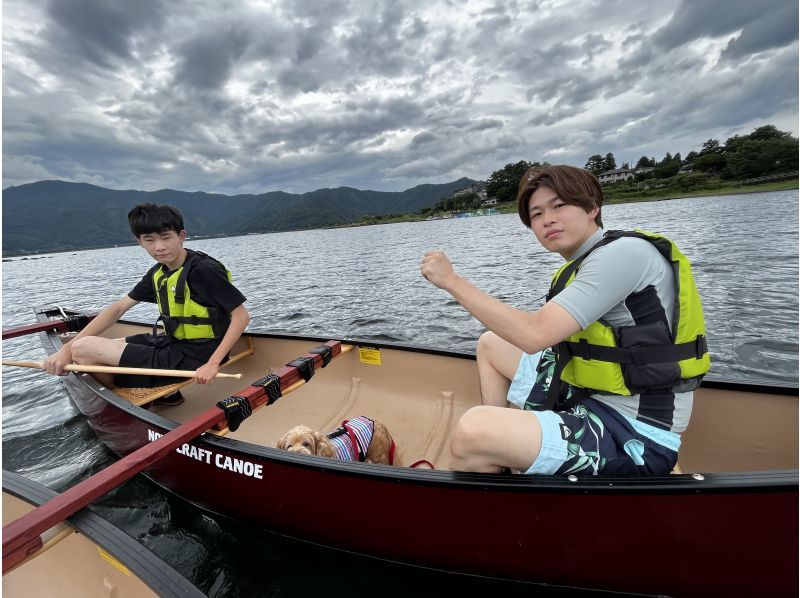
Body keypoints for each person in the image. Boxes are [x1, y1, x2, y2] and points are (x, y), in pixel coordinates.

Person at [420, 165, 709, 476]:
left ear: (592, 207)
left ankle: (489, 458)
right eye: (536, 214)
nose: (547, 219)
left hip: (635, 433)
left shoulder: (624, 255)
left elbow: (534, 335)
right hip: (592, 397)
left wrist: (451, 281)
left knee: (472, 431)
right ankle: (501, 460)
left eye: (559, 205)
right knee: (492, 345)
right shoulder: (585, 261)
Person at [43, 203, 250, 405]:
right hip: (172, 343)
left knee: (83, 349)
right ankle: (164, 394)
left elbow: (241, 316)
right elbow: (117, 309)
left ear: (181, 236)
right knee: (102, 346)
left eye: (166, 237)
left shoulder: (203, 270)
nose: (159, 247)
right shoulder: (159, 272)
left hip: (199, 356)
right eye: (149, 240)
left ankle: (125, 397)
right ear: (139, 241)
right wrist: (64, 350)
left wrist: (212, 364)